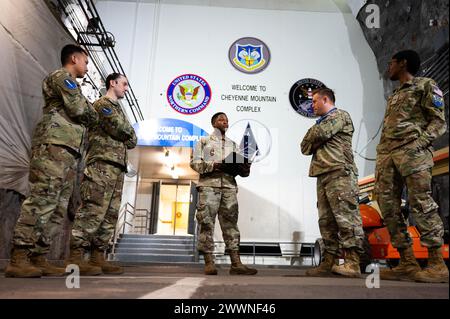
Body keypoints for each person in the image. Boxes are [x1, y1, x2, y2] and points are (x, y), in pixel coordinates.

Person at [5, 44, 98, 278]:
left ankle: (39, 256)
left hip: (68, 150)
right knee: (42, 198)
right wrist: (89, 112)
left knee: (58, 206)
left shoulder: (73, 84)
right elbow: (80, 110)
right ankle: (19, 257)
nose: (87, 66)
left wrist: (90, 112)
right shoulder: (61, 77)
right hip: (53, 144)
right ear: (74, 58)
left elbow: (89, 114)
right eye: (85, 62)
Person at [375, 50, 448, 283]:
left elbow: (438, 121)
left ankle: (437, 264)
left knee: (421, 204)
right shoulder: (395, 94)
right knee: (388, 208)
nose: (389, 67)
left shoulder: (426, 85)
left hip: (412, 154)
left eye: (392, 63)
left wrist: (419, 145)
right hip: (388, 156)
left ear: (403, 63)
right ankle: (407, 261)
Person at [66, 73, 137, 275]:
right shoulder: (102, 105)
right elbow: (122, 130)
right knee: (93, 208)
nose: (126, 88)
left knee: (110, 214)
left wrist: (128, 133)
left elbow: (132, 140)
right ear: (112, 83)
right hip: (101, 164)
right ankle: (76, 257)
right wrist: (128, 133)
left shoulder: (118, 110)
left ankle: (98, 255)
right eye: (124, 84)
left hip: (117, 166)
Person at [301, 88, 365, 278]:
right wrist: (315, 137)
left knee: (346, 217)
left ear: (326, 99)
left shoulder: (340, 115)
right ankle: (330, 261)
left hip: (340, 173)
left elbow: (319, 135)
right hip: (323, 174)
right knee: (326, 220)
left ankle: (353, 263)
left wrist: (315, 137)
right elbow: (304, 147)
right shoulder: (320, 123)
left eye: (314, 101)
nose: (312, 106)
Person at [190, 112, 257, 276]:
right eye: (221, 119)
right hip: (208, 188)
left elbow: (240, 167)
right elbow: (195, 163)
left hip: (229, 188)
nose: (225, 121)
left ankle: (236, 263)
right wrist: (216, 165)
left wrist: (244, 168)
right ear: (214, 123)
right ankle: (209, 262)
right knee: (207, 224)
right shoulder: (204, 142)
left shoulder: (233, 145)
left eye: (227, 120)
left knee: (231, 226)